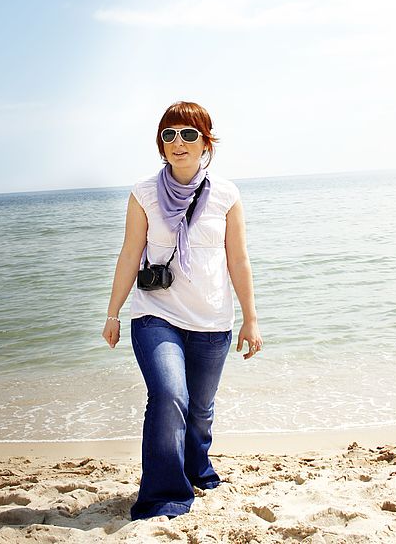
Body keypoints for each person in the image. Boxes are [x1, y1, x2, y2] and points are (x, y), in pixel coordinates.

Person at [102, 100, 263, 522]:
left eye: (189, 134)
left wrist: (251, 318)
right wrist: (113, 312)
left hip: (212, 319)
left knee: (200, 409)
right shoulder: (142, 194)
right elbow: (129, 254)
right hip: (155, 315)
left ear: (205, 142)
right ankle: (162, 496)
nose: (178, 142)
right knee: (169, 395)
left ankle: (197, 467)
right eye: (169, 134)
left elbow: (238, 260)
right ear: (160, 143)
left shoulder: (226, 195)